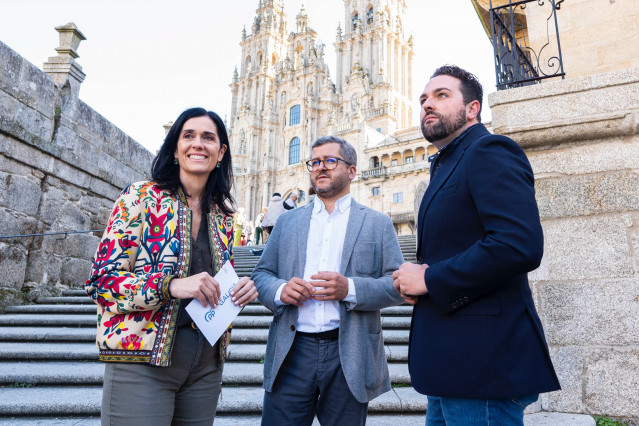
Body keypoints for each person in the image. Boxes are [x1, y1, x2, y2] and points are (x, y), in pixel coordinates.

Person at [392, 65, 560, 425]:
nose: (427, 105)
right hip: (451, 366)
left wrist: (430, 279)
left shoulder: (489, 149)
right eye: (423, 99)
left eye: (441, 95)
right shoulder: (449, 162)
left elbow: (518, 244)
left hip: (482, 365)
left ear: (472, 109)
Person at [85, 107, 259, 425]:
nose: (198, 144)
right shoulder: (140, 197)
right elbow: (101, 282)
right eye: (188, 135)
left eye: (208, 138)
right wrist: (171, 285)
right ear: (176, 149)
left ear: (220, 153)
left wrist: (239, 291)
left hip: (206, 365)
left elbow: (215, 286)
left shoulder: (223, 216)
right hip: (142, 358)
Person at [252, 136, 405, 426]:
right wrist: (282, 290)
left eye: (330, 161)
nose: (321, 167)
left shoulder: (377, 223)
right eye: (315, 162)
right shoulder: (287, 222)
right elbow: (261, 275)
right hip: (292, 351)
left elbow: (397, 285)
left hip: (349, 351)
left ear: (351, 171)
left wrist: (350, 289)